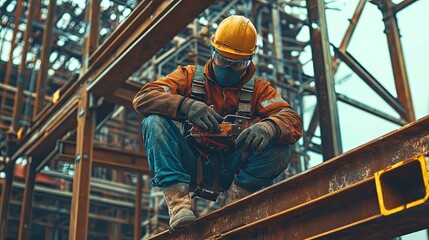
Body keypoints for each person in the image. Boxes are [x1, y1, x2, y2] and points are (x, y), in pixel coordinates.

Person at [132, 15, 303, 230]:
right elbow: (143, 98)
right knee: (153, 122)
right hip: (192, 163)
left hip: (231, 167)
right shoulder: (188, 77)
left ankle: (234, 205)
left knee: (280, 149)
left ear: (250, 61)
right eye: (223, 60)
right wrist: (185, 106)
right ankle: (178, 205)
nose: (228, 69)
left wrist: (269, 127)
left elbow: (292, 120)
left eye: (238, 64)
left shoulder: (260, 90)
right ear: (213, 53)